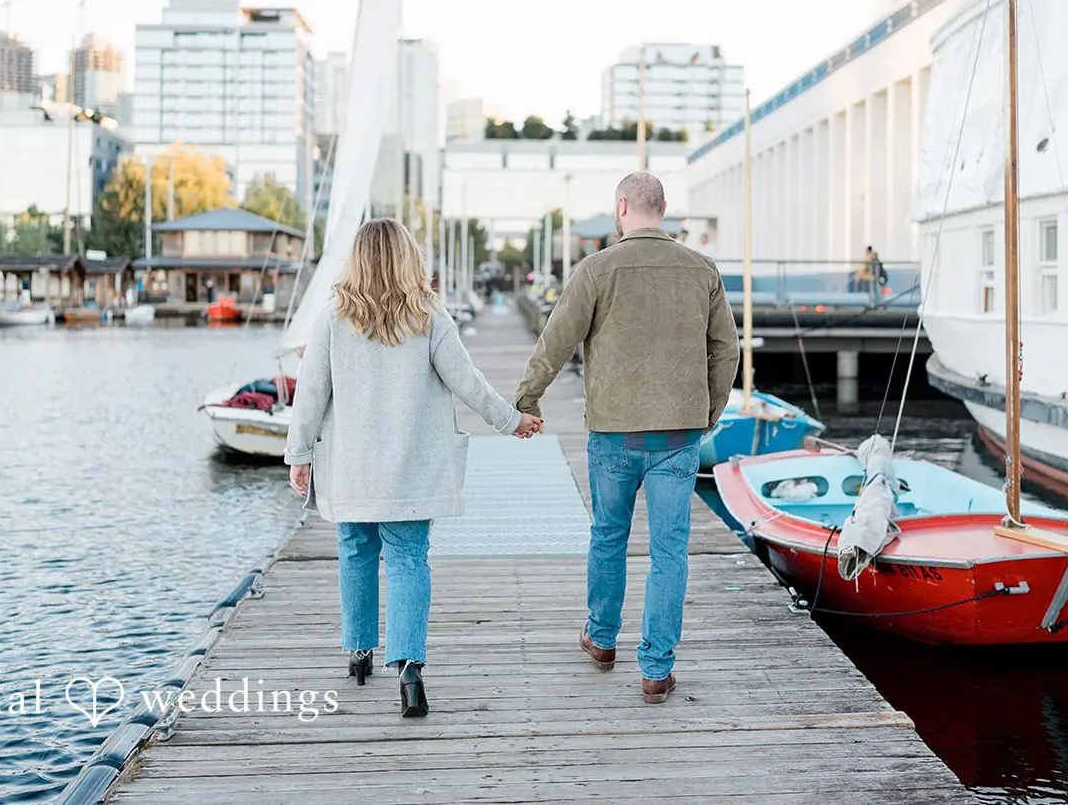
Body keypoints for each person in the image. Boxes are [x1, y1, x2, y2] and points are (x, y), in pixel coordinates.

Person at [284, 218, 543, 718]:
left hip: (352, 470)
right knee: (408, 559)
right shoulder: (429, 318)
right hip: (412, 469)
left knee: (356, 551)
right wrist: (512, 421)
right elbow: (467, 382)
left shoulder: (333, 319)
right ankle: (408, 670)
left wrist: (299, 455)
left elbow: (310, 395)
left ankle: (359, 652)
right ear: (409, 259)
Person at [513, 172, 739, 703]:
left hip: (614, 431)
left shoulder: (595, 270)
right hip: (679, 434)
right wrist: (707, 412)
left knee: (609, 536)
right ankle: (656, 669)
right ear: (664, 210)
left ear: (621, 208)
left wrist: (527, 399)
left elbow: (556, 341)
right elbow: (725, 350)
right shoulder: (701, 269)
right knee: (669, 551)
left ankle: (602, 637)